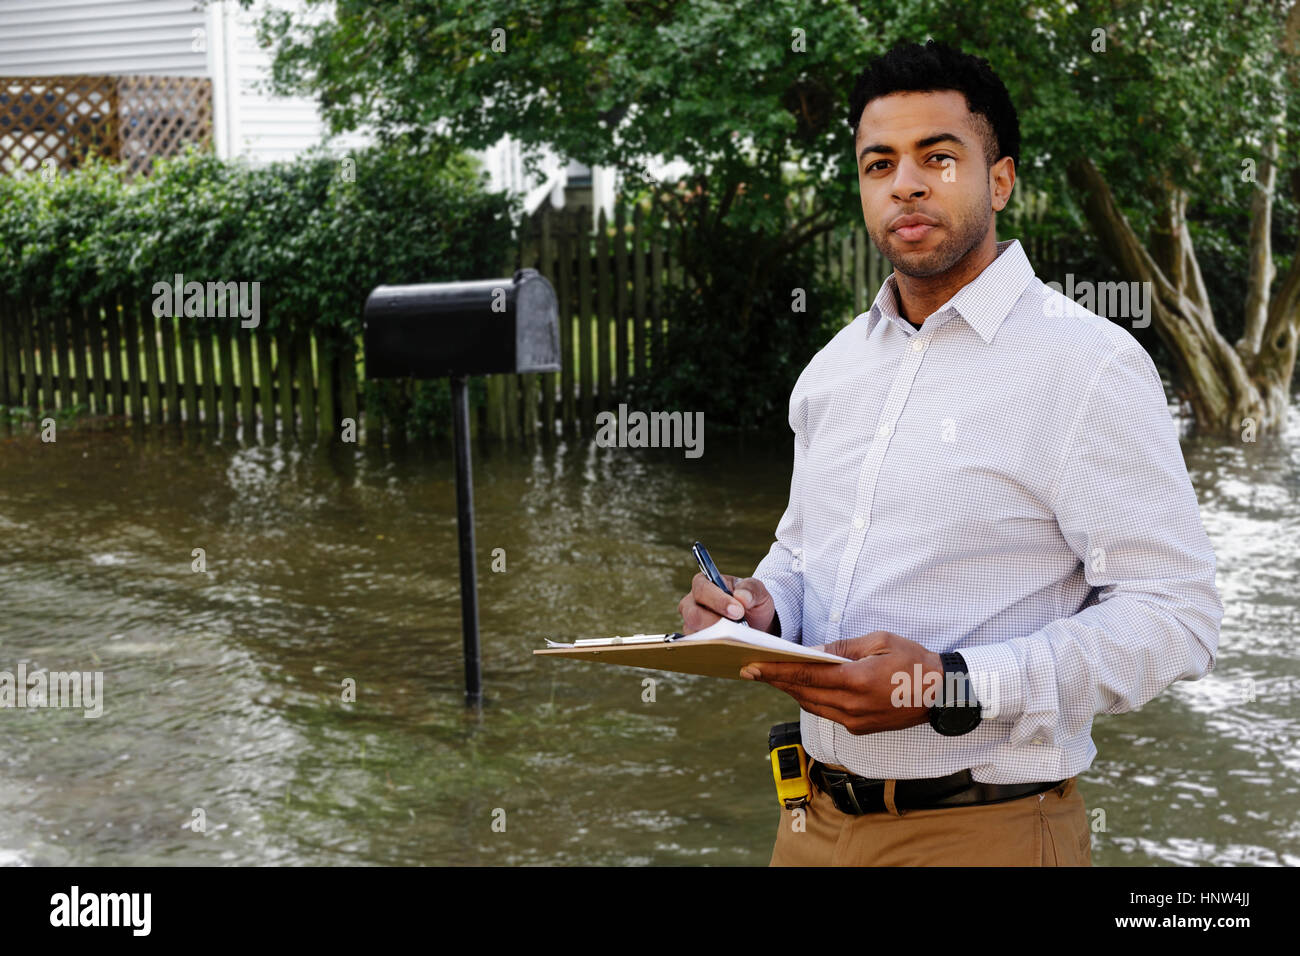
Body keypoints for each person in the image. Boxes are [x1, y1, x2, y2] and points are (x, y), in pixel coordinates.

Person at [676, 39, 1222, 866]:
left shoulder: (1087, 364)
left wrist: (950, 686)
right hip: (807, 821)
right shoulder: (834, 368)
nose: (906, 182)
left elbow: (1177, 617)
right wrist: (760, 609)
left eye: (938, 156)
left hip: (987, 833)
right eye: (879, 163)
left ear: (998, 179)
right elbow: (803, 547)